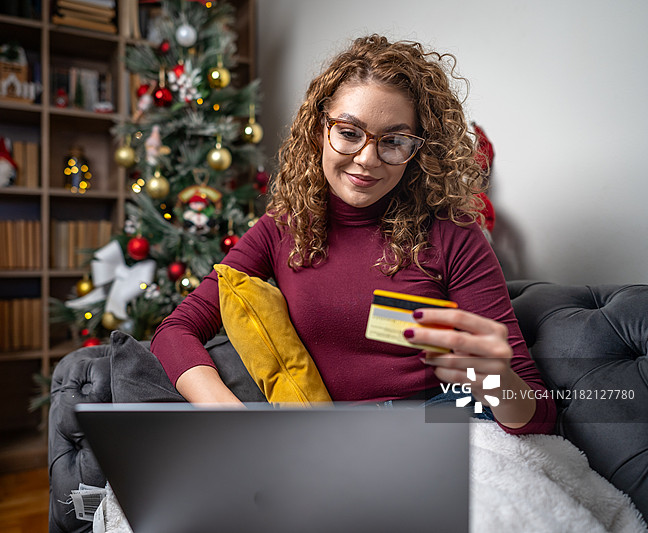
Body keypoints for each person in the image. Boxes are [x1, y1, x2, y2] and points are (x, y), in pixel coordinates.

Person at [150, 34, 555, 434]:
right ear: (318, 129)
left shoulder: (454, 236)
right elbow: (175, 331)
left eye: (394, 141)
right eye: (348, 132)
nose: (366, 159)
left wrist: (494, 378)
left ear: (418, 151)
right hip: (328, 440)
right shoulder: (281, 228)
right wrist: (235, 420)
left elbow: (536, 415)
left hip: (437, 426)